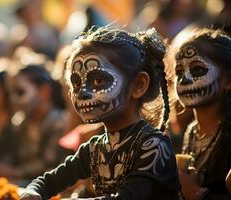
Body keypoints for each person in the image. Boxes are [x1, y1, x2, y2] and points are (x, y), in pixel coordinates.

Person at [20, 27, 180, 200]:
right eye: (76, 83)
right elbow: (47, 182)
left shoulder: (153, 146)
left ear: (138, 85)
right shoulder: (95, 148)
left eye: (98, 80)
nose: (82, 93)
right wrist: (32, 193)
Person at [174, 28, 231, 199]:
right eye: (179, 72)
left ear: (228, 81)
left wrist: (194, 193)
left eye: (197, 69)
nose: (184, 79)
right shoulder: (192, 131)